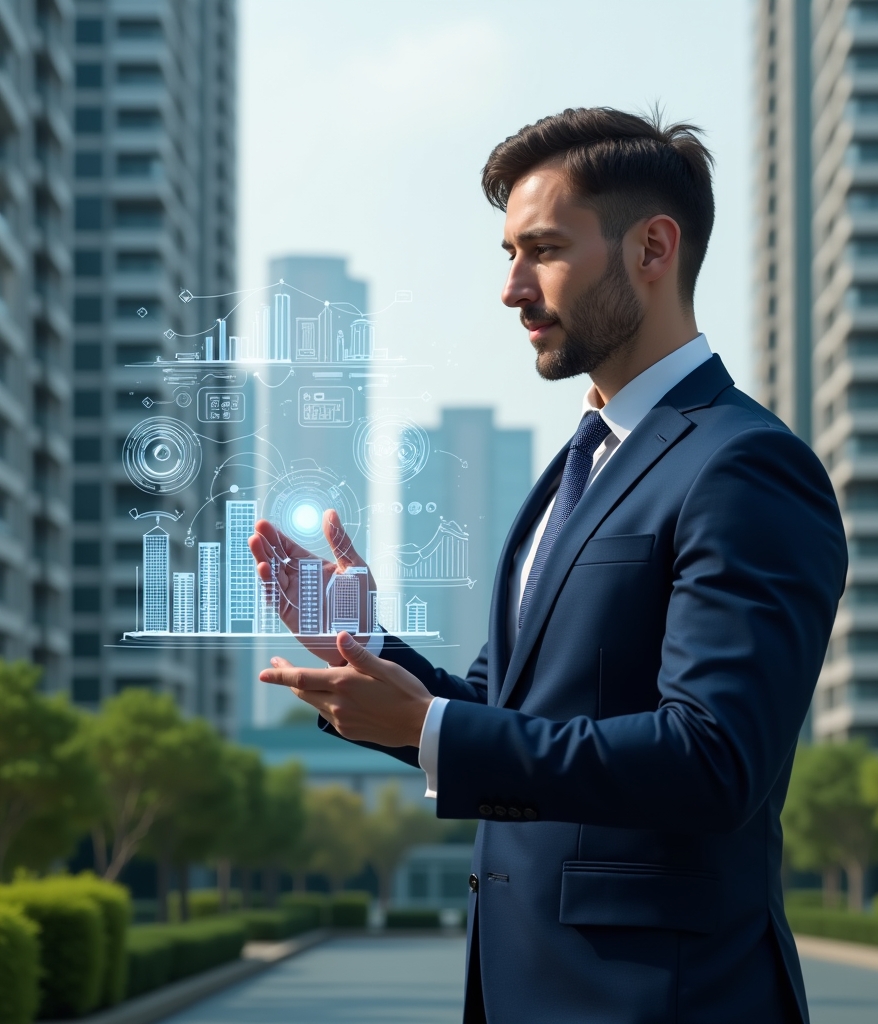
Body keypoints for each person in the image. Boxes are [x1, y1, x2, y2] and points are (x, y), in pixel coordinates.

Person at [250, 107, 847, 1024]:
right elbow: (508, 710)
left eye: (542, 251)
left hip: (660, 1000)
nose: (512, 289)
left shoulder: (744, 465)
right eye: (508, 253)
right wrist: (363, 644)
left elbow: (714, 757)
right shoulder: (572, 469)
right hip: (529, 988)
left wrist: (431, 729)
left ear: (653, 248)